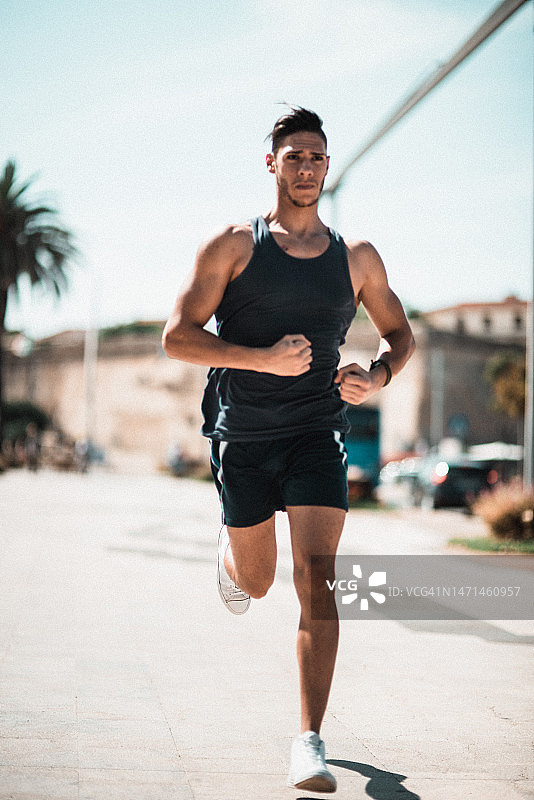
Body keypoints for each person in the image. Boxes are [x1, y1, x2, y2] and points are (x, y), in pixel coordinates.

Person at [162, 106, 415, 793]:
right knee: (258, 582)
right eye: (294, 156)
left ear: (328, 169)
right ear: (271, 164)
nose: (306, 168)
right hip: (242, 435)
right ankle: (230, 551)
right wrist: (259, 359)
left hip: (316, 433)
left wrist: (378, 374)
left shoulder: (355, 257)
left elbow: (400, 334)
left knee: (318, 579)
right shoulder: (234, 246)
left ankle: (309, 741)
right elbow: (176, 336)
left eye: (318, 158)